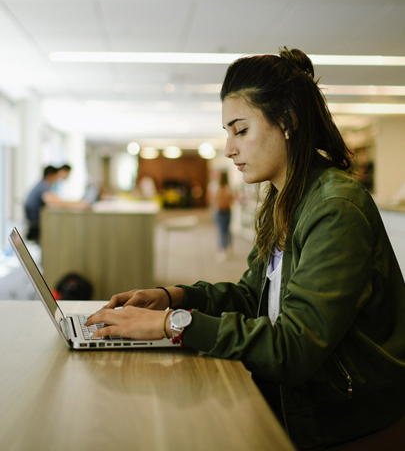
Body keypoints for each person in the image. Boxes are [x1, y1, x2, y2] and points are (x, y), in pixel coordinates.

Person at [86, 48, 405, 450]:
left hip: (345, 419)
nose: (228, 149)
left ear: (286, 122)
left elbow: (294, 347)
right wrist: (174, 296)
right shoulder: (282, 199)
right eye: (227, 132)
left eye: (240, 130)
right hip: (294, 401)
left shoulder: (335, 209)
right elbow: (254, 296)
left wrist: (173, 323)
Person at [24, 164, 88, 242]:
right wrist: (77, 204)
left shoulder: (43, 184)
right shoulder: (44, 185)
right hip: (37, 224)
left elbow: (56, 200)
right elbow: (53, 202)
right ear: (51, 175)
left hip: (37, 222)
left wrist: (76, 203)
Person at [213, 171, 234, 261]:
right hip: (220, 211)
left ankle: (226, 248)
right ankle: (224, 249)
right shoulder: (218, 188)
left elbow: (231, 199)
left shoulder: (226, 188)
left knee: (226, 231)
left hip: (226, 211)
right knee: (222, 231)